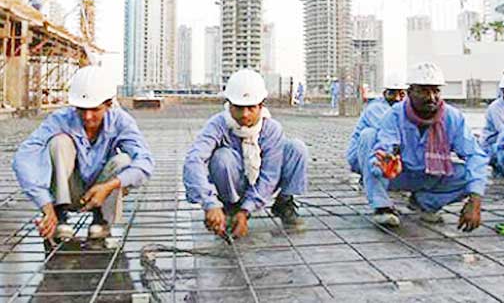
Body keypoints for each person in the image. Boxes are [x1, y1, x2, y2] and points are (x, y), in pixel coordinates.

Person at [13, 65, 154, 242]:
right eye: (81, 109)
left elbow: (145, 162)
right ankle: (59, 213)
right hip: (69, 189)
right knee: (59, 142)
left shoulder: (121, 122)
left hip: (102, 192)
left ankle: (101, 219)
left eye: (95, 109)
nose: (87, 117)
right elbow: (24, 157)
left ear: (108, 104)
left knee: (124, 160)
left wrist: (110, 186)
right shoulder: (61, 119)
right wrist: (45, 203)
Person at [183, 69, 308, 239]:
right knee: (223, 157)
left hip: (260, 183)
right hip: (233, 182)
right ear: (229, 105)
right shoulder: (217, 125)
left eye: (251, 108)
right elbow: (194, 160)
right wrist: (210, 203)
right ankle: (229, 208)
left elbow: (270, 175)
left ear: (261, 105)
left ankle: (284, 203)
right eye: (239, 108)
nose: (245, 115)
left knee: (296, 148)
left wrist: (246, 211)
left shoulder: (271, 129)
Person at [362, 62, 488, 229]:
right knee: (368, 137)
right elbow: (385, 144)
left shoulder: (452, 117)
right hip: (399, 174)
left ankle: (424, 203)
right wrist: (386, 161)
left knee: (470, 176)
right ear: (409, 92)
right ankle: (382, 206)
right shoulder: (394, 114)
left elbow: (474, 155)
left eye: (435, 91)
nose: (431, 97)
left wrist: (475, 199)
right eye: (423, 91)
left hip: (431, 175)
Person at [346, 73, 408, 174]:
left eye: (401, 94)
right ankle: (368, 175)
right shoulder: (376, 108)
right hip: (359, 157)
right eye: (392, 93)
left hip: (384, 155)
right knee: (369, 134)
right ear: (384, 94)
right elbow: (389, 133)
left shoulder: (403, 108)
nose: (397, 98)